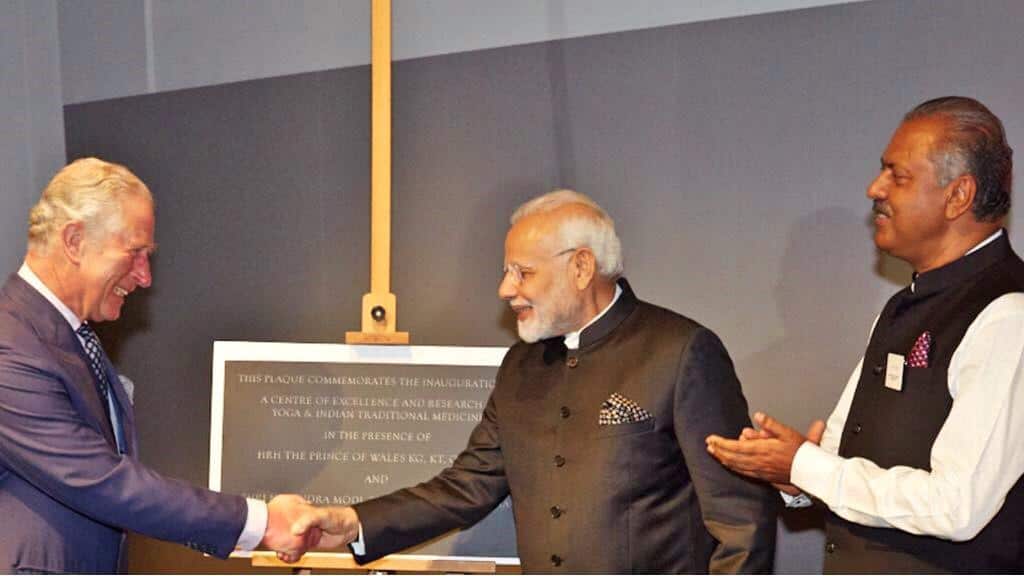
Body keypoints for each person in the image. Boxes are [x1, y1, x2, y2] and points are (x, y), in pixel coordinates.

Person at [298, 189, 778, 572]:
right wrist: (354, 521)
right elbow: (466, 486)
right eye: (507, 272)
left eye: (522, 272)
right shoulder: (519, 367)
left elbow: (741, 521)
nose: (506, 289)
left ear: (581, 267)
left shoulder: (681, 351)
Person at [705, 96, 1024, 572]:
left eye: (898, 176)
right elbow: (841, 462)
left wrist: (806, 465)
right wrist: (796, 475)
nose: (874, 188)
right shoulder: (902, 306)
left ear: (958, 195)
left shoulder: (1008, 315)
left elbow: (957, 506)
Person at [0, 158, 320, 573]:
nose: (145, 277)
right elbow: (102, 481)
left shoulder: (63, 337)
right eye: (135, 253)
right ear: (75, 240)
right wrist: (259, 522)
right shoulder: (12, 347)